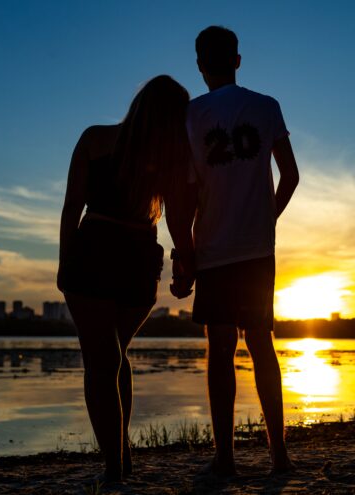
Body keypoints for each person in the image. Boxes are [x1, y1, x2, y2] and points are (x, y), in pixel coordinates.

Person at [167, 26, 300, 476]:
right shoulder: (266, 107)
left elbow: (183, 197)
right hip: (258, 249)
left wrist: (184, 255)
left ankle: (225, 458)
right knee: (262, 345)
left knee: (220, 351)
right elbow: (292, 176)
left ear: (201, 65)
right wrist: (268, 218)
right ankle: (278, 455)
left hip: (214, 250)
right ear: (238, 61)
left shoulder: (191, 115)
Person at [57, 75, 191, 482]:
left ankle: (114, 467)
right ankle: (122, 454)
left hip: (100, 253)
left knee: (103, 361)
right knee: (113, 357)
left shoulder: (96, 139)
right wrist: (186, 264)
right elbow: (180, 220)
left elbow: (70, 210)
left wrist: (66, 264)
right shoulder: (168, 155)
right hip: (135, 259)